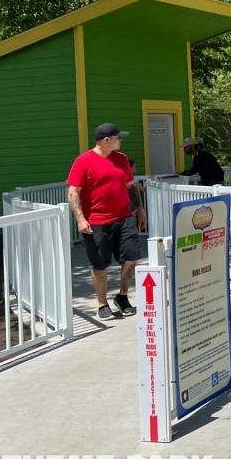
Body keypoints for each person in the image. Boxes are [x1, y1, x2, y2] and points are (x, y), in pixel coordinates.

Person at [67, 123, 146, 320]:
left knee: (132, 257)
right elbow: (73, 192)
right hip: (97, 222)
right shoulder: (83, 161)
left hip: (124, 217)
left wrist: (140, 210)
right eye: (118, 137)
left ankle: (122, 296)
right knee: (100, 265)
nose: (121, 140)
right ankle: (102, 304)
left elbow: (130, 187)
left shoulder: (122, 159)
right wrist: (80, 218)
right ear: (106, 140)